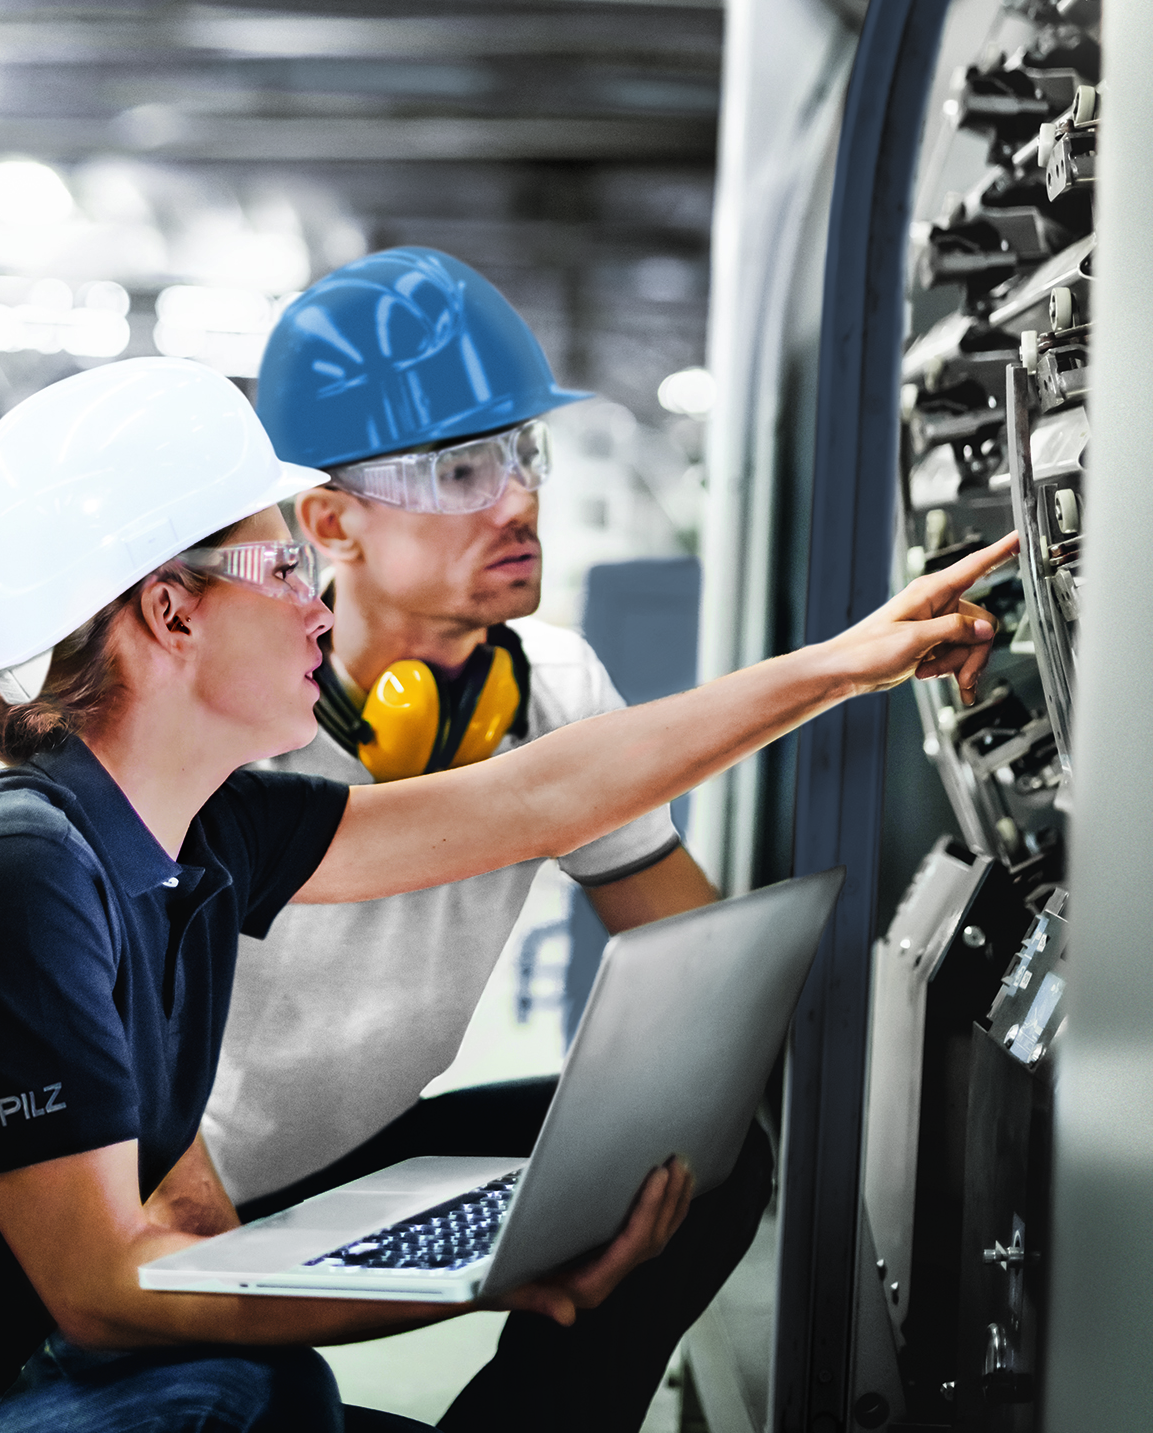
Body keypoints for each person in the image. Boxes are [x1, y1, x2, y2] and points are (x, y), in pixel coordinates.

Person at [0, 354, 1014, 1433]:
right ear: (166, 613)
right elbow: (106, 1288)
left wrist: (844, 665)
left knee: (285, 1388)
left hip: (31, 1375)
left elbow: (532, 798)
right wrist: (476, 1275)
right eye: (283, 559)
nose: (313, 594)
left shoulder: (201, 826)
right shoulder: (8, 875)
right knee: (230, 1396)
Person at [201, 247, 740, 1430]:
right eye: (458, 469)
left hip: (357, 1143)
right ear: (329, 521)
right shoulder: (227, 724)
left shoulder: (549, 684)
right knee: (229, 1401)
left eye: (520, 455)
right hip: (175, 1192)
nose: (517, 499)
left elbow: (693, 958)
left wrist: (678, 1089)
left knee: (701, 1163)